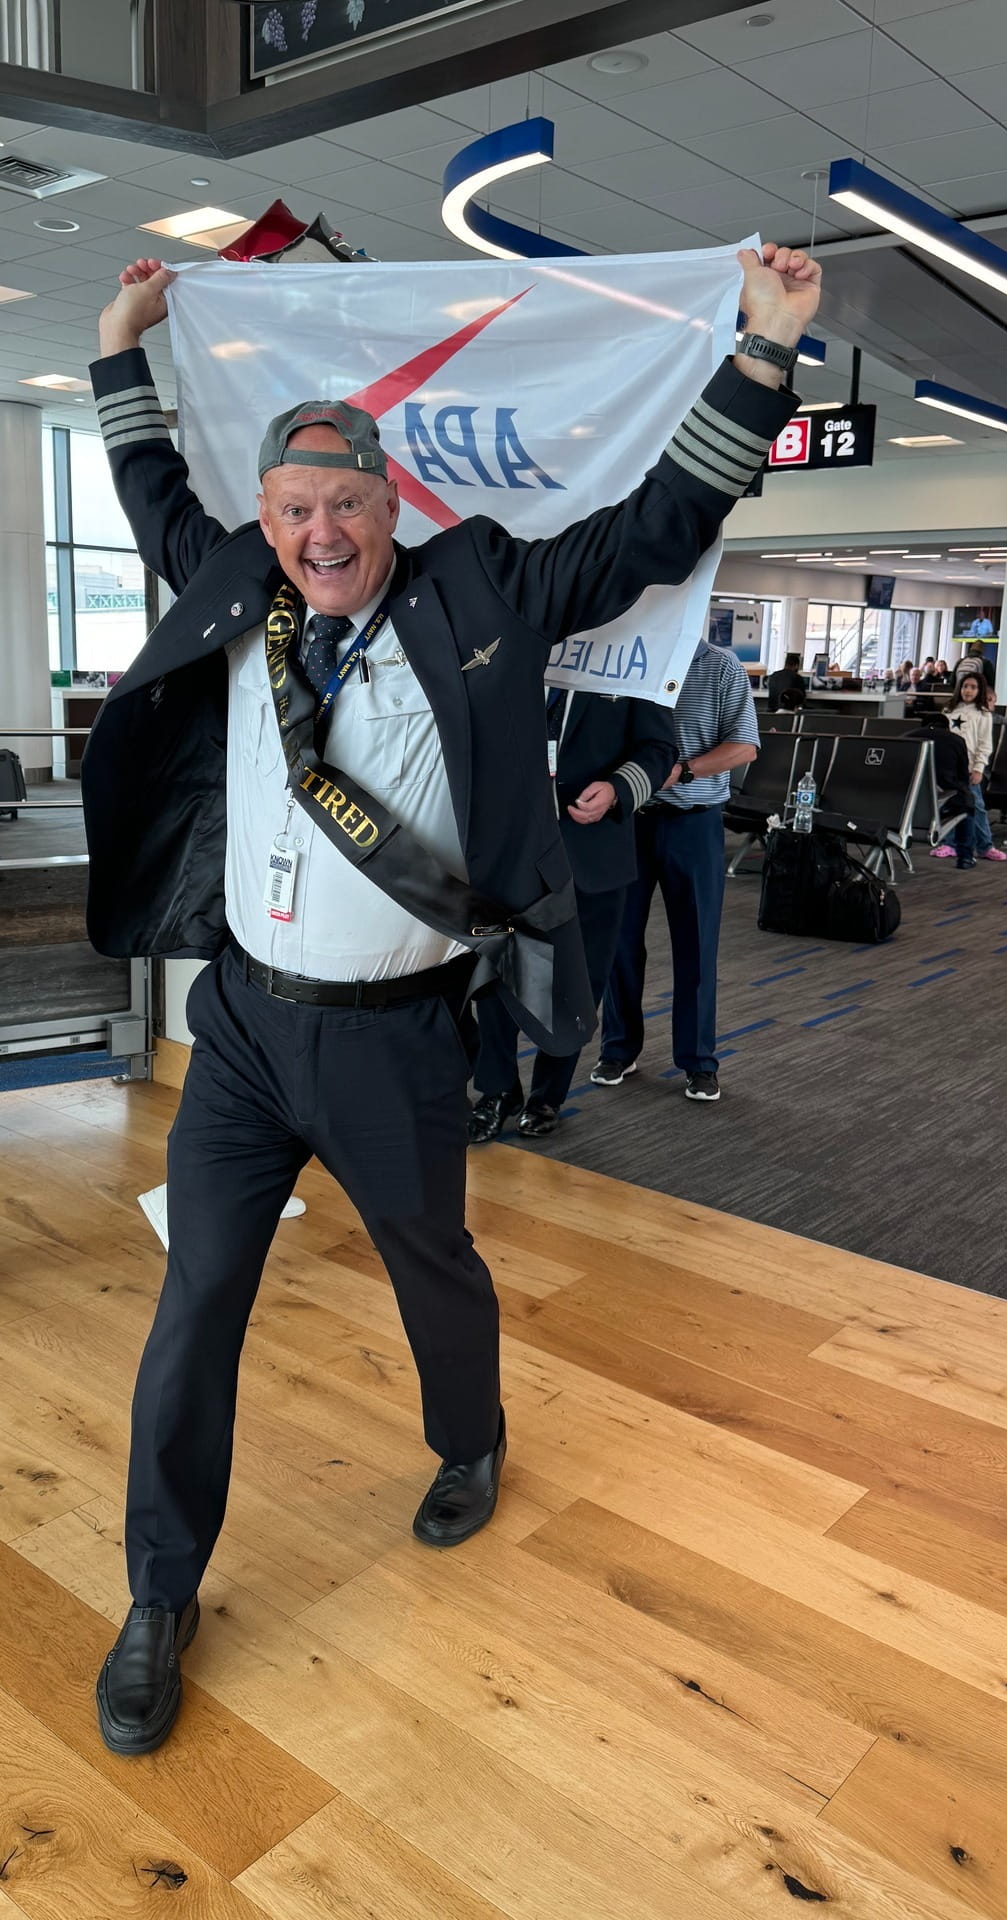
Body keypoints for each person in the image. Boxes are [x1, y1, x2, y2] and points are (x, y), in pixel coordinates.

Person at [80, 243, 819, 1755]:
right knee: (196, 1298)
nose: (319, 531)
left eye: (345, 502)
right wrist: (116, 348)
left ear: (391, 501)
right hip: (238, 1029)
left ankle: (471, 1441)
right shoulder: (237, 582)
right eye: (294, 509)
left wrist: (763, 352)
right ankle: (161, 1592)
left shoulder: (484, 582)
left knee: (434, 1267)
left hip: (395, 1031)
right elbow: (153, 491)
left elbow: (661, 524)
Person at [467, 690, 678, 1141]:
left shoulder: (632, 656)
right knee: (495, 974)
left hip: (593, 848)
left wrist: (619, 789)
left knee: (577, 981)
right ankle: (498, 1089)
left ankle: (549, 1094)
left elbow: (661, 748)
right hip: (509, 844)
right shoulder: (518, 640)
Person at [590, 636, 760, 1104]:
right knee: (621, 942)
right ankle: (619, 1049)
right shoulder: (627, 659)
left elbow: (745, 747)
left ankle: (699, 1062)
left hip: (694, 822)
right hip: (629, 822)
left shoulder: (721, 666)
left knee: (697, 944)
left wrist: (681, 770)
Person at [929, 671, 1006, 868]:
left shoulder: (983, 714)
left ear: (979, 690)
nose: (968, 690)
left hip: (969, 768)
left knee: (976, 807)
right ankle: (949, 844)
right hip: (948, 768)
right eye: (965, 686)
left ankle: (985, 846)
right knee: (948, 806)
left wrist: (979, 768)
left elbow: (985, 744)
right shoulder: (949, 709)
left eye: (973, 687)